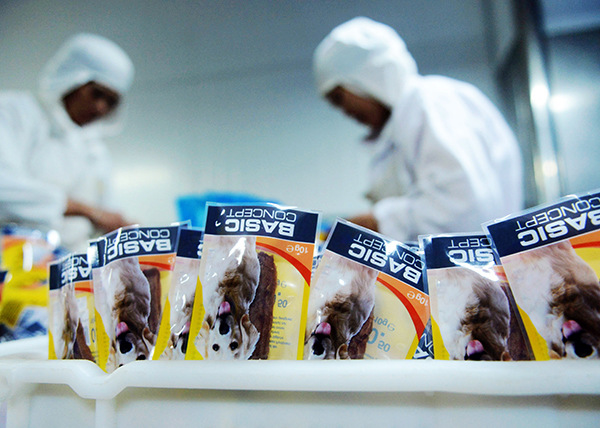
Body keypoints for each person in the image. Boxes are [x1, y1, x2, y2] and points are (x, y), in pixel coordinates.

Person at [313, 17, 524, 242]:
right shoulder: (405, 121)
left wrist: (377, 220)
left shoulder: (430, 104)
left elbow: (463, 208)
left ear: (366, 77)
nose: (343, 111)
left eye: (338, 97)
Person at [0, 33, 135, 251]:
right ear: (72, 79)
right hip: (9, 263)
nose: (101, 108)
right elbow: (4, 187)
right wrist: (85, 210)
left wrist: (122, 227)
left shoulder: (94, 150)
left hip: (67, 269)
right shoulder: (14, 113)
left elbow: (106, 211)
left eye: (111, 101)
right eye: (97, 94)